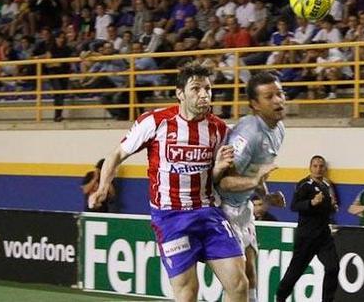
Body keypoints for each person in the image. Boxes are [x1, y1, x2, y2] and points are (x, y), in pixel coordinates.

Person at [88, 62, 249, 302]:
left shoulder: (218, 129)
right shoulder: (155, 122)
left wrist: (219, 169)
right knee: (187, 293)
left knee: (238, 284)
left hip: (208, 212)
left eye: (208, 88)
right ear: (180, 93)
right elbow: (116, 155)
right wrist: (102, 187)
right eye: (196, 89)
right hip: (171, 217)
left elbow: (214, 177)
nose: (204, 94)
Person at [216, 71, 287, 302]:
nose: (278, 100)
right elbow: (224, 182)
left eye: (280, 93)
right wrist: (256, 182)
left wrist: (265, 196)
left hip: (244, 207)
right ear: (255, 105)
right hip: (222, 209)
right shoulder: (248, 134)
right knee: (237, 283)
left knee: (251, 272)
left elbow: (255, 172)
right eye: (269, 96)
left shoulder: (279, 129)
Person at [276, 155, 339, 302]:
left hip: (323, 236)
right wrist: (311, 202)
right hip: (307, 236)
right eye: (315, 166)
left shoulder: (327, 186)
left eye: (321, 166)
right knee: (295, 271)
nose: (318, 169)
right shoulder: (304, 185)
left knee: (333, 267)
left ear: (324, 169)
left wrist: (331, 207)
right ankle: (280, 297)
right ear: (310, 168)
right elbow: (294, 205)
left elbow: (325, 208)